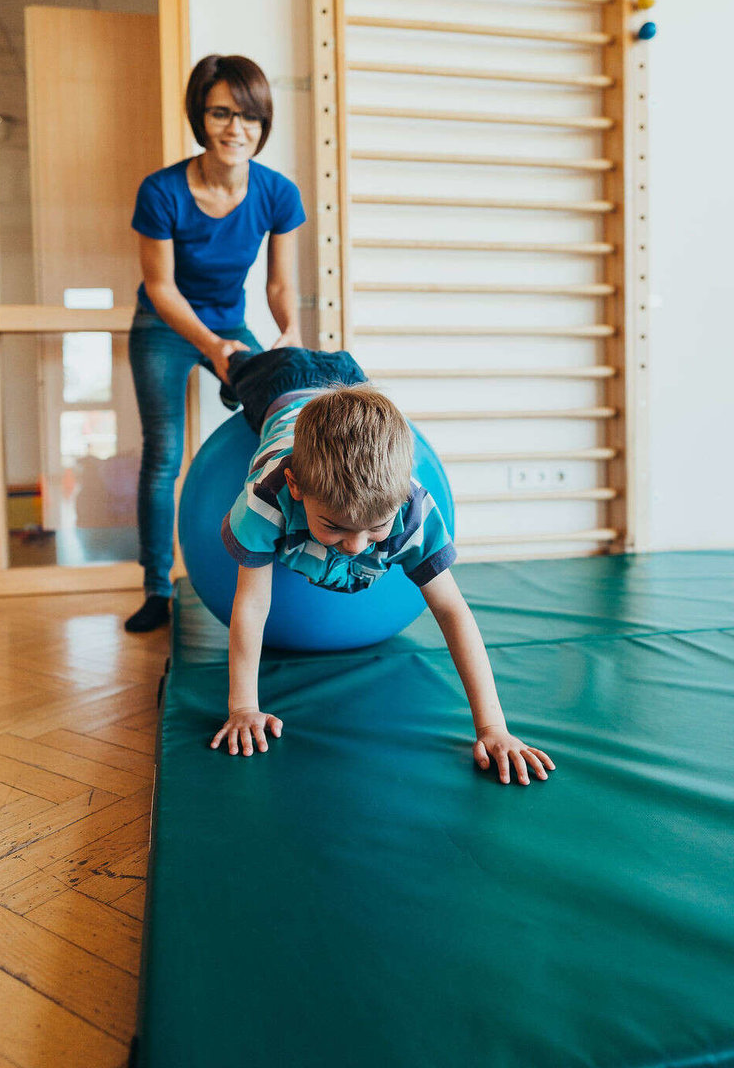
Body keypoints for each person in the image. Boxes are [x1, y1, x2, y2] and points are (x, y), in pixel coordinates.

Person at [209, 347, 556, 786]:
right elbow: (253, 604)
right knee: (237, 367)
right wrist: (243, 707)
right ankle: (234, 357)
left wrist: (493, 729)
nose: (354, 546)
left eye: (375, 529)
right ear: (295, 486)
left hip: (345, 377)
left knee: (351, 394)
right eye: (334, 527)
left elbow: (452, 611)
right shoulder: (265, 501)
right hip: (275, 385)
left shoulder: (413, 511)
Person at [126, 55, 306, 632]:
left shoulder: (277, 192)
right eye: (222, 113)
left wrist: (289, 331)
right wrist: (212, 347)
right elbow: (161, 287)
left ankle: (276, 560)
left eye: (250, 116)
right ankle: (157, 589)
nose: (236, 128)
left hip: (230, 328)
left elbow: (279, 284)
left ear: (263, 123)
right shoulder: (161, 191)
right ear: (200, 118)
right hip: (163, 326)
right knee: (164, 456)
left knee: (280, 418)